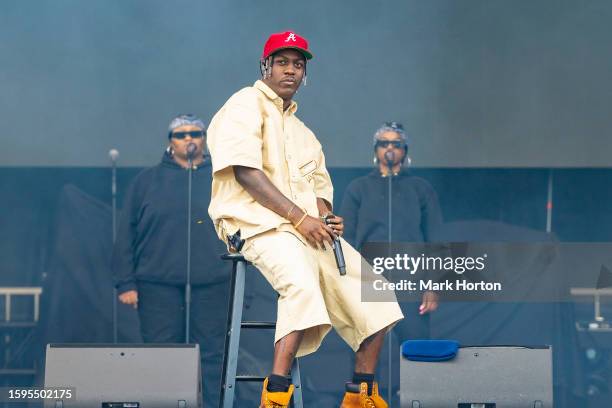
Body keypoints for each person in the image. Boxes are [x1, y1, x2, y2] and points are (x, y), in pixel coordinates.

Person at [206, 31, 404, 408]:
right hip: (253, 225)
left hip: (304, 228)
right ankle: (276, 394)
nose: (291, 71)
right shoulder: (244, 104)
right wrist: (300, 218)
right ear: (265, 66)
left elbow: (319, 188)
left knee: (375, 291)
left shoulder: (304, 132)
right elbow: (246, 173)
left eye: (298, 64)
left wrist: (327, 217)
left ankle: (361, 395)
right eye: (282, 62)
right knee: (301, 280)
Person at [112, 114, 229, 407]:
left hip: (214, 280)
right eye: (181, 134)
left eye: (196, 133)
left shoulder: (222, 179)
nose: (189, 138)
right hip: (157, 282)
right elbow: (126, 232)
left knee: (215, 354)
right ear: (170, 142)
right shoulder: (147, 180)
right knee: (162, 354)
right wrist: (125, 282)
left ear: (204, 139)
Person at [340, 122, 443, 404]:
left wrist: (433, 286)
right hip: (369, 280)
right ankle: (365, 403)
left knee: (417, 350)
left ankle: (418, 401)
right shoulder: (358, 188)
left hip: (411, 280)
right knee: (365, 352)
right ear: (376, 150)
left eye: (396, 144)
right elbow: (345, 239)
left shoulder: (420, 189)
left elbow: (436, 241)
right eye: (384, 143)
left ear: (404, 151)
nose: (390, 148)